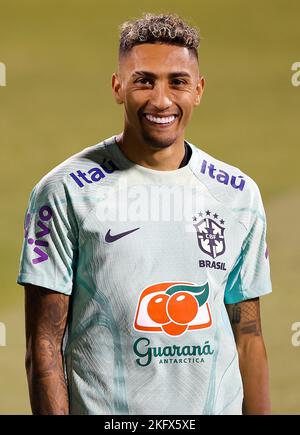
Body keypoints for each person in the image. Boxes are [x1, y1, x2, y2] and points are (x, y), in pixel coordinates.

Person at [17, 13, 272, 415]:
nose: (161, 100)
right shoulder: (65, 192)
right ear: (118, 87)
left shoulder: (237, 194)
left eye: (178, 81)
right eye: (144, 80)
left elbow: (248, 336)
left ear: (199, 90)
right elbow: (43, 345)